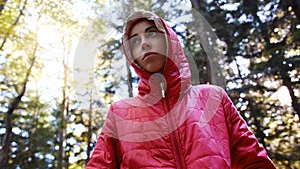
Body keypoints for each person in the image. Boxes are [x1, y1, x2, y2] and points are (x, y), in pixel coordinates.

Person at [86, 10, 276, 168]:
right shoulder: (119, 113)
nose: (143, 43)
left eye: (151, 33)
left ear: (169, 39)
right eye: (135, 41)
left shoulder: (214, 97)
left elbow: (254, 162)